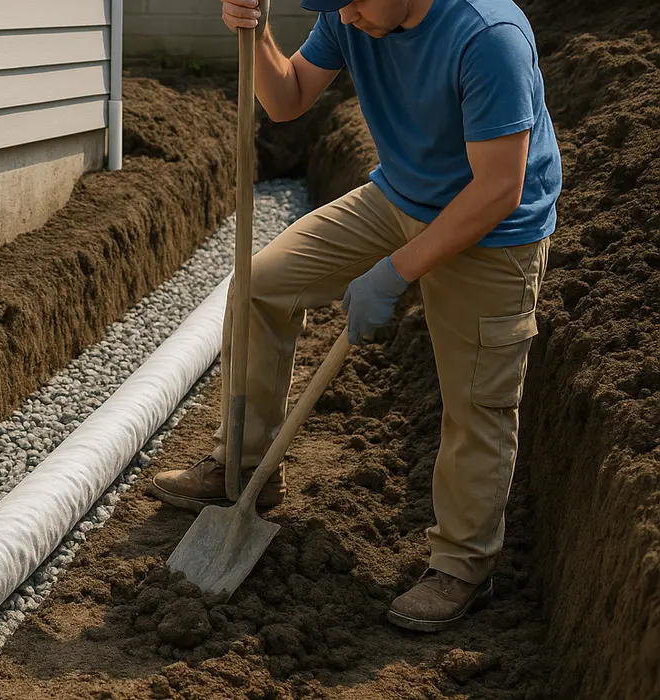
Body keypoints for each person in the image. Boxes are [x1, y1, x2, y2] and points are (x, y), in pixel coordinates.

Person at [149, 0, 561, 632]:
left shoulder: (488, 34)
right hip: (398, 198)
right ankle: (246, 463)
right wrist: (257, 33)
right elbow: (287, 98)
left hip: (493, 232)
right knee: (260, 286)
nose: (345, 16)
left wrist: (395, 272)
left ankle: (462, 566)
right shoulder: (351, 12)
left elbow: (498, 188)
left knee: (476, 399)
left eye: (355, 1)